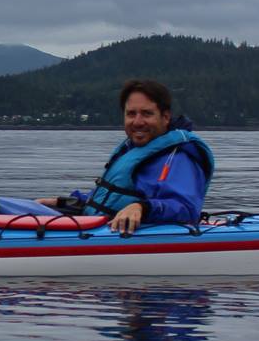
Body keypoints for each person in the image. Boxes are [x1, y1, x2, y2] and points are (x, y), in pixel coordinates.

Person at [42, 79, 213, 235]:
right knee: (22, 206)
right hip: (102, 224)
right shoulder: (132, 150)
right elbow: (113, 198)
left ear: (165, 117)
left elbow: (186, 209)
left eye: (146, 114)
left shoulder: (180, 157)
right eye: (131, 114)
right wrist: (64, 202)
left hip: (147, 235)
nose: (137, 122)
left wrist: (141, 208)